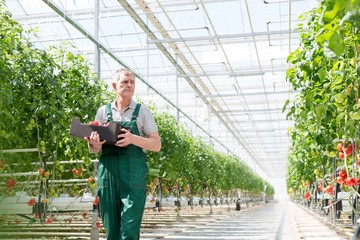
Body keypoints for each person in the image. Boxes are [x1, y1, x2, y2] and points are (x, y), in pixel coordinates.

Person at [84, 68, 161, 239]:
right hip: (108, 176)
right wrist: (94, 144)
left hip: (133, 178)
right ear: (114, 85)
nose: (129, 85)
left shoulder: (142, 112)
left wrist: (133, 138)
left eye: (132, 82)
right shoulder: (103, 112)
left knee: (129, 230)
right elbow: (96, 150)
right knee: (111, 230)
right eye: (124, 81)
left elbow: (156, 144)